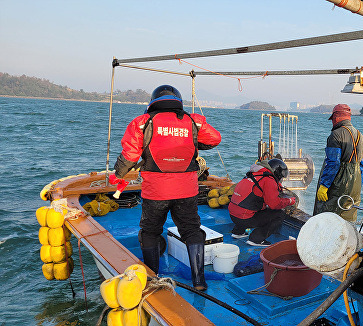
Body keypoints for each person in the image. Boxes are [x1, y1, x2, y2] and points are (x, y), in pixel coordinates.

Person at [111, 85, 221, 291]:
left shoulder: (143, 123)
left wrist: (117, 175)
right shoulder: (193, 121)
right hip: (187, 190)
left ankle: (153, 279)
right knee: (191, 231)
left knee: (150, 232)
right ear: (178, 101)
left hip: (156, 192)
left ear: (152, 102)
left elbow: (130, 156)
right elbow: (214, 139)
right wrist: (193, 140)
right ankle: (199, 281)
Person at [313, 104, 363, 222]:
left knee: (329, 217)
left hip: (339, 184)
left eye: (332, 119)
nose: (332, 122)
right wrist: (357, 184)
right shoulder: (361, 136)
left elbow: (333, 163)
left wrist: (324, 185)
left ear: (336, 117)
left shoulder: (335, 135)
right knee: (348, 219)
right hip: (356, 185)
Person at [228, 159, 296, 247]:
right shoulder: (269, 180)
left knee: (247, 207)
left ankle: (238, 232)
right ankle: (256, 239)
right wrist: (289, 201)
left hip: (233, 215)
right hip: (244, 219)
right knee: (279, 214)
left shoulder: (253, 174)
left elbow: (254, 195)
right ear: (277, 173)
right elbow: (274, 204)